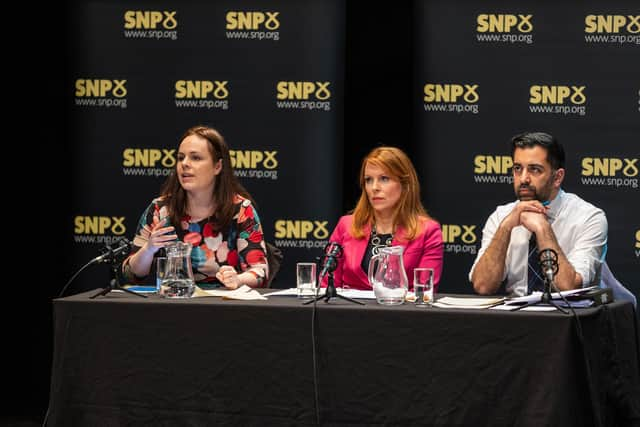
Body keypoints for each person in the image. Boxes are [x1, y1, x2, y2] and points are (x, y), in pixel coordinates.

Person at [123, 125, 269, 289]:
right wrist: (149, 249)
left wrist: (238, 280)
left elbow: (260, 272)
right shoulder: (161, 209)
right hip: (174, 305)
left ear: (217, 167)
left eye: (196, 158)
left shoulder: (241, 209)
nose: (185, 164)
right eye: (180, 157)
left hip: (223, 307)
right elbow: (131, 274)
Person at [470, 131, 607, 296]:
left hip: (571, 318)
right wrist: (506, 227)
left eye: (534, 170)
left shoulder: (589, 218)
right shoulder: (502, 216)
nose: (523, 179)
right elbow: (483, 286)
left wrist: (542, 228)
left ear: (557, 177)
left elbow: (568, 287)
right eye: (517, 169)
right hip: (517, 318)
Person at [322, 146, 444, 290]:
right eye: (368, 180)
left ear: (405, 184)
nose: (374, 187)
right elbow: (326, 286)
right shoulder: (346, 225)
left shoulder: (428, 231)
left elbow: (423, 292)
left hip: (400, 311)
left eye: (384, 179)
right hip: (349, 312)